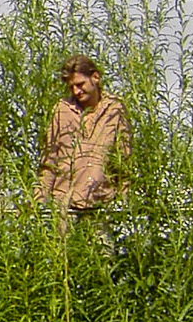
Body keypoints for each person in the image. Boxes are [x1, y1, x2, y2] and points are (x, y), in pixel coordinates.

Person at [34, 55, 130, 213]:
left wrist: (123, 201)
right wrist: (37, 202)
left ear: (95, 77)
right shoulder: (62, 110)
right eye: (71, 87)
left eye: (80, 84)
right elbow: (49, 161)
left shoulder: (115, 110)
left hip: (101, 205)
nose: (76, 91)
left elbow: (124, 160)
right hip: (65, 206)